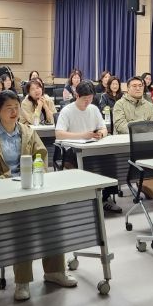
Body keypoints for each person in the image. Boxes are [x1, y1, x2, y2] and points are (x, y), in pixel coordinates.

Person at [0, 91, 75, 301]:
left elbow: (41, 157)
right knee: (23, 225)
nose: (14, 112)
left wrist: (36, 175)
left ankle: (54, 271)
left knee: (52, 217)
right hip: (4, 192)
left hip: (30, 187)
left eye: (16, 107)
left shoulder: (28, 132)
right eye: (9, 108)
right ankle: (22, 281)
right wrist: (9, 180)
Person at [55, 81, 120, 212]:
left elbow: (103, 128)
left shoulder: (93, 109)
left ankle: (106, 198)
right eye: (85, 99)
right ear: (77, 95)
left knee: (110, 159)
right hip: (72, 149)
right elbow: (59, 134)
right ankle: (84, 199)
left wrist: (101, 134)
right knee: (81, 161)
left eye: (90, 98)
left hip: (91, 147)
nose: (88, 102)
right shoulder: (67, 111)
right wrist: (82, 135)